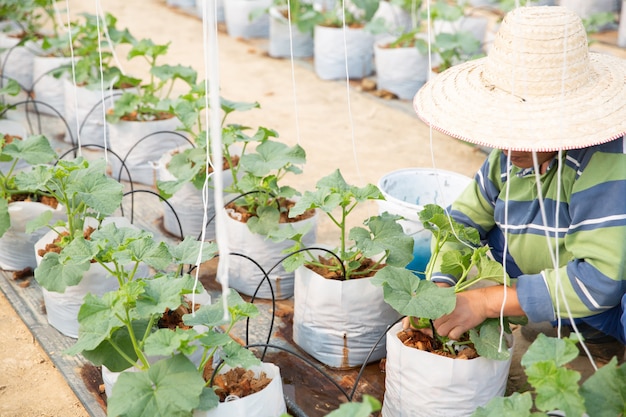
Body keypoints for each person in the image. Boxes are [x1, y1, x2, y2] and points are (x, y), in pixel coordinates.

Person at [411, 5, 626, 358]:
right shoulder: (509, 154)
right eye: (505, 129)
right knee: (487, 227)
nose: (509, 146)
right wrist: (440, 291)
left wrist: (485, 301)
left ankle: (593, 326)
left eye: (526, 131)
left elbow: (600, 280)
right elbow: (461, 221)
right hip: (553, 275)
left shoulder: (608, 158)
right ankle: (558, 311)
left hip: (612, 295)